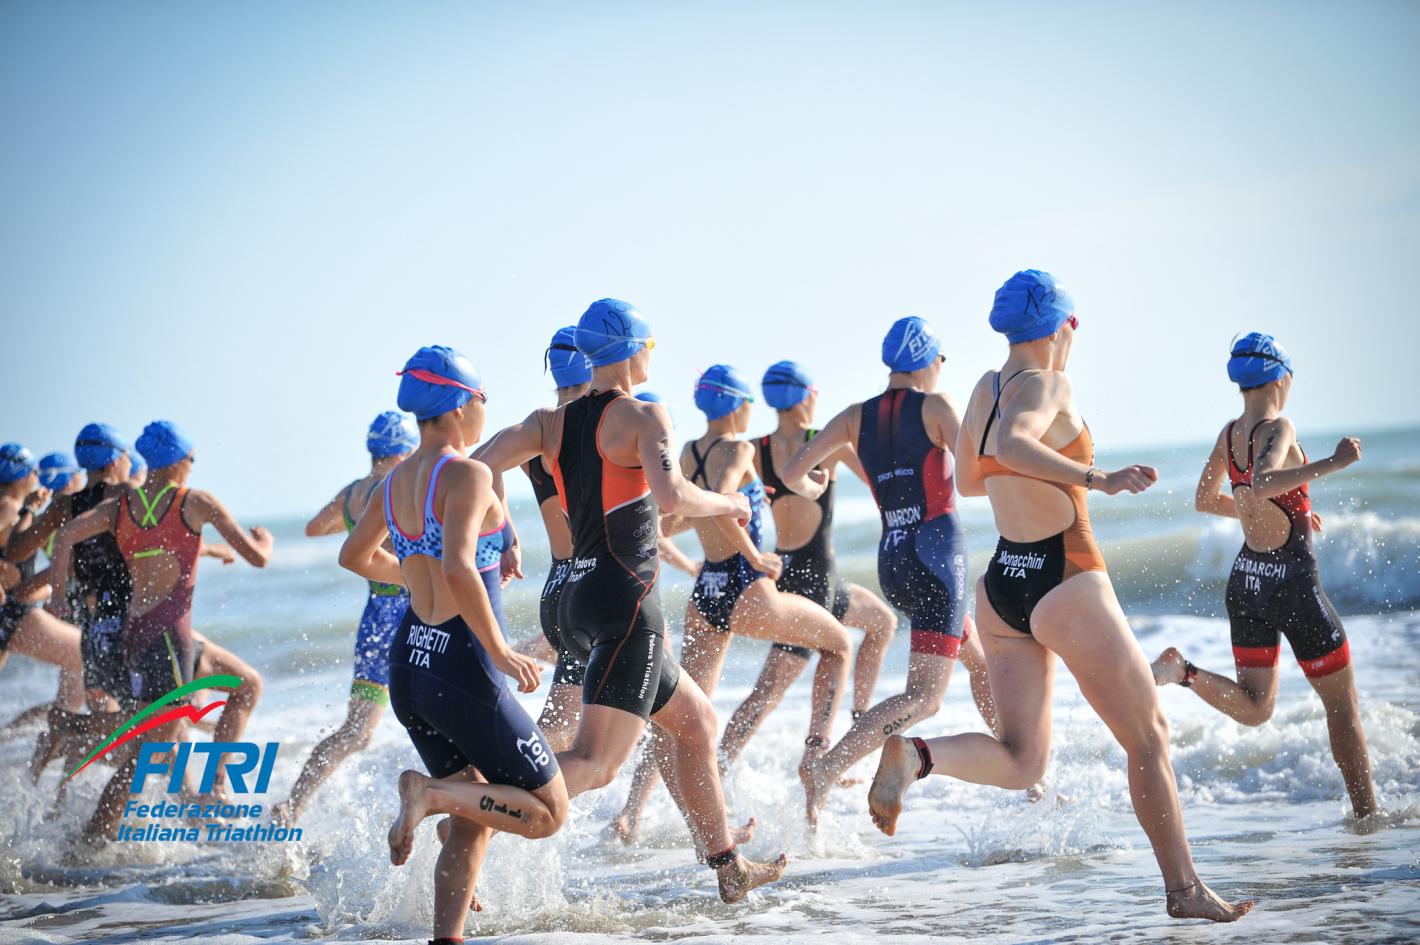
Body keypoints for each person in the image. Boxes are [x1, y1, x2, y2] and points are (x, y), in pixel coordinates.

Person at [864, 271, 1253, 921]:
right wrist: (1095, 477)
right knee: (1149, 736)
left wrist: (1024, 479)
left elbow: (968, 480)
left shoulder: (984, 388)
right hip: (1065, 573)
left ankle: (916, 753)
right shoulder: (1048, 383)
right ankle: (1183, 889)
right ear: (1059, 327)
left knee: (1022, 759)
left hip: (1003, 583)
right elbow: (1017, 442)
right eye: (1074, 325)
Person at [475, 299, 787, 901]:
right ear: (634, 349)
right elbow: (671, 497)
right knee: (595, 763)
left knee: (695, 723)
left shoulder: (548, 422)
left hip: (572, 599)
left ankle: (728, 865)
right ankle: (468, 809)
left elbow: (478, 467)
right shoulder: (646, 416)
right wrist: (730, 505)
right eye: (650, 344)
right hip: (624, 605)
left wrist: (501, 533)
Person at [339, 346, 568, 938]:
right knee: (547, 813)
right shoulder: (466, 473)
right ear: (463, 404)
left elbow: (356, 557)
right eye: (484, 399)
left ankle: (448, 935)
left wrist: (420, 572)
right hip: (466, 666)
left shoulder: (393, 482)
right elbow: (463, 567)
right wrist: (500, 649)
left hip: (411, 666)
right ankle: (427, 794)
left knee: (474, 815)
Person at [612, 364, 852, 842]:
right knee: (841, 644)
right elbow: (723, 501)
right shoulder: (739, 448)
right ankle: (816, 757)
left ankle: (631, 814)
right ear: (740, 405)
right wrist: (756, 555)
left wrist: (734, 520)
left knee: (677, 715)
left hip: (707, 596)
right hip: (746, 587)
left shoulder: (687, 450)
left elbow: (672, 518)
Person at [777, 319, 996, 824]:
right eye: (941, 359)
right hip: (939, 557)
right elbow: (974, 474)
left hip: (894, 559)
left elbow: (794, 475)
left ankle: (1031, 777)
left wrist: (817, 484)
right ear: (926, 359)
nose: (942, 369)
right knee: (926, 698)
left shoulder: (855, 416)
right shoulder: (936, 407)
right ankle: (826, 768)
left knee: (978, 660)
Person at [1151, 333, 1376, 819]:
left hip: (1247, 579)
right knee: (1342, 708)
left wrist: (1276, 518)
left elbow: (1207, 499)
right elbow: (1265, 481)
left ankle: (1181, 671)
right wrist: (1336, 462)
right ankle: (1369, 821)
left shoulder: (1230, 432)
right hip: (1292, 584)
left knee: (1256, 709)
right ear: (1280, 376)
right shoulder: (1280, 426)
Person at [48, 420, 274, 841]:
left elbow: (66, 535)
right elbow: (258, 558)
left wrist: (60, 597)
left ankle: (213, 787)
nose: (193, 465)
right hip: (169, 641)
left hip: (144, 637)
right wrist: (266, 540)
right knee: (150, 752)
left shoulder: (122, 507)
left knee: (247, 685)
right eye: (192, 458)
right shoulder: (196, 502)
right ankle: (91, 840)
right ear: (180, 462)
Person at [718, 360, 902, 768]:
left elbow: (723, 501)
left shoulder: (757, 450)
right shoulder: (826, 442)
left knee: (880, 623)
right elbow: (879, 480)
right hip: (815, 581)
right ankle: (726, 763)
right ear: (807, 396)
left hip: (808, 576)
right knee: (770, 690)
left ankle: (851, 725)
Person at [272, 411, 418, 825]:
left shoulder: (353, 492)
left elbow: (315, 528)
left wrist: (358, 525)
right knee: (438, 710)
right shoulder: (400, 485)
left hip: (375, 615)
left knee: (356, 730)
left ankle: (294, 803)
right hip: (413, 609)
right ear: (405, 450)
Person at [521, 327, 593, 751]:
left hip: (557, 586)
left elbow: (481, 467)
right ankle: (479, 804)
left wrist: (506, 534)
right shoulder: (596, 431)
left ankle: (479, 802)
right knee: (560, 731)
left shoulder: (538, 432)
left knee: (560, 728)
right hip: (590, 584)